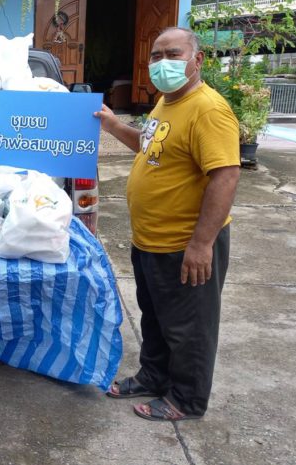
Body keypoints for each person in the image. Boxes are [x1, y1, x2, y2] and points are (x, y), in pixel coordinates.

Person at [94, 26, 240, 422]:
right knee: (156, 318)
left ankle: (187, 399)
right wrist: (113, 125)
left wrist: (201, 244)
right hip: (151, 240)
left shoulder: (207, 109)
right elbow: (149, 146)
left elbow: (225, 175)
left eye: (172, 54)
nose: (162, 63)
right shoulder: (167, 103)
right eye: (156, 56)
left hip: (184, 243)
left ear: (197, 60)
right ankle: (154, 376)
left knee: (189, 328)